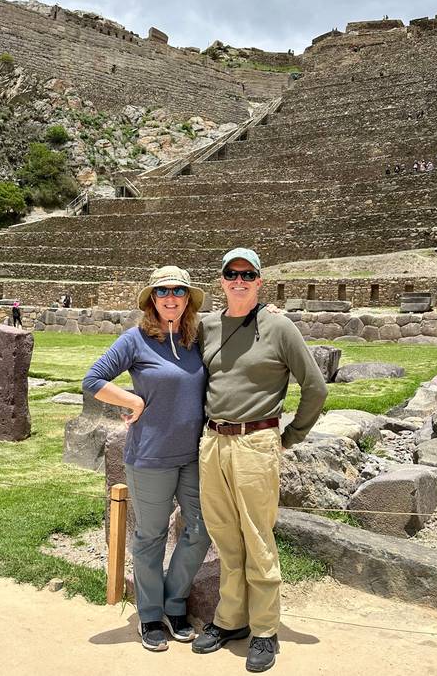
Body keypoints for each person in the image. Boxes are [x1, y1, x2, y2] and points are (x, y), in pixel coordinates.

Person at [192, 248, 327, 673]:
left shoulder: (279, 326)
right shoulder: (208, 327)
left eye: (247, 274)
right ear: (221, 280)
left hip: (256, 441)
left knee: (256, 534)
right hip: (213, 442)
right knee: (225, 536)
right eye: (232, 274)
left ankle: (266, 629)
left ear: (259, 281)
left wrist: (290, 436)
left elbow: (315, 387)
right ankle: (231, 620)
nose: (239, 281)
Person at [82, 266, 211, 653]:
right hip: (151, 456)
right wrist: (132, 399)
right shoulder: (135, 340)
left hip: (192, 455)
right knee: (151, 537)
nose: (170, 298)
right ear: (151, 300)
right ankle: (151, 614)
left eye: (178, 291)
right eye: (162, 292)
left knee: (201, 528)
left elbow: (239, 327)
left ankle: (175, 603)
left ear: (188, 299)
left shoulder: (196, 339)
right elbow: (92, 380)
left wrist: (267, 313)